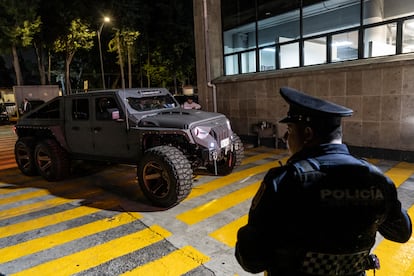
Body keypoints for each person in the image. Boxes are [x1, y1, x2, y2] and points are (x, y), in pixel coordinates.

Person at [235, 87, 412, 276]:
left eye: (290, 130)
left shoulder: (285, 180)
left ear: (308, 134)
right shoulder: (377, 180)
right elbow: (402, 233)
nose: (286, 137)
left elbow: (251, 259)